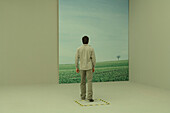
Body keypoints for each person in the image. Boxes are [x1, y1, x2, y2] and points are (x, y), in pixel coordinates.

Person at [75, 36, 96, 102]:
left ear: (82, 41)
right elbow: (93, 59)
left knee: (82, 82)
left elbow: (76, 59)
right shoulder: (91, 48)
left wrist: (76, 67)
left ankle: (83, 96)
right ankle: (89, 97)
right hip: (89, 67)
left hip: (81, 67)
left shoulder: (79, 49)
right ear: (88, 41)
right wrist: (93, 66)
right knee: (89, 82)